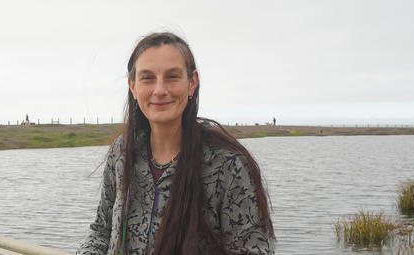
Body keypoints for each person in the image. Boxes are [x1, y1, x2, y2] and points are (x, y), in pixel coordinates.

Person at [77, 32, 275, 255]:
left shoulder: (228, 164)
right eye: (147, 78)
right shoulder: (122, 151)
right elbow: (101, 230)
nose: (160, 90)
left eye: (172, 76)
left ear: (192, 83)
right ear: (132, 86)